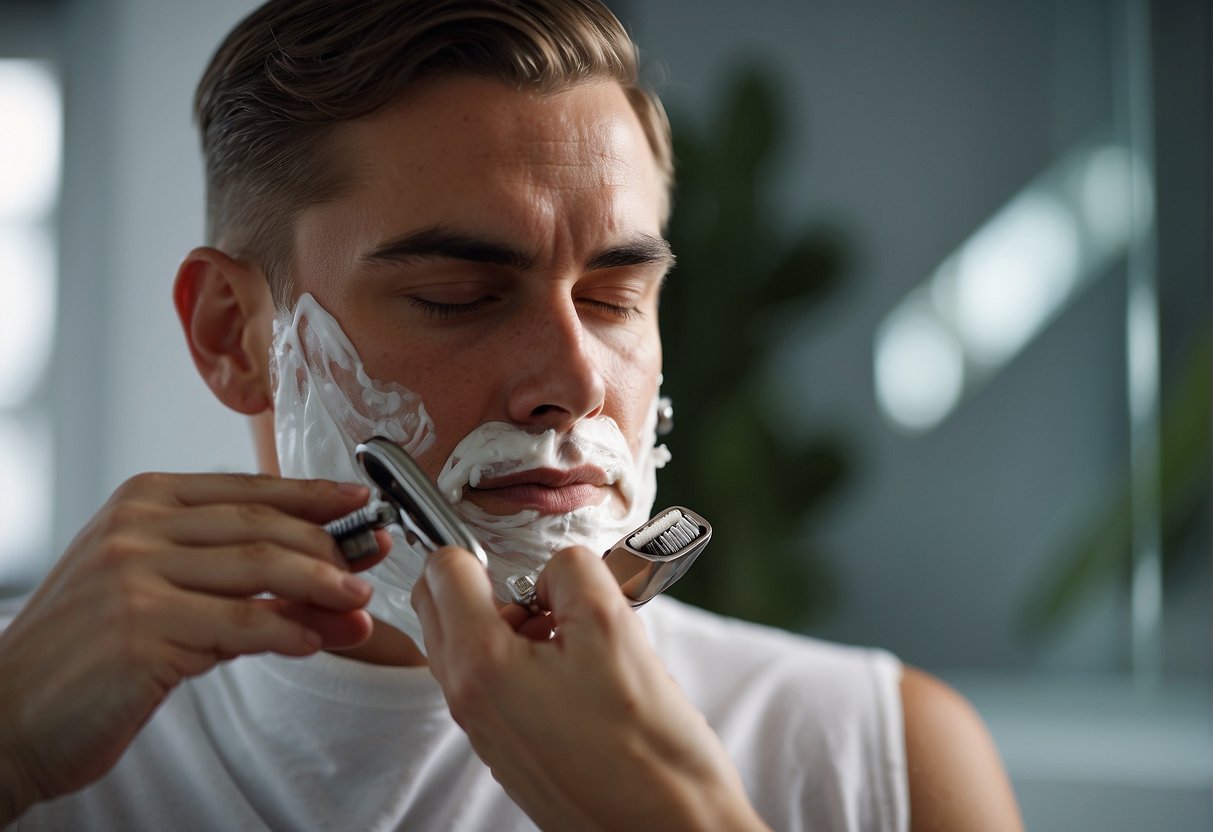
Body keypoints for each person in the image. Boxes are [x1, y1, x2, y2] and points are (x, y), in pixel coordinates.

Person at [0, 1, 1024, 829]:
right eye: (457, 295)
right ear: (233, 334)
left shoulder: (876, 760)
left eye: (616, 298)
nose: (576, 381)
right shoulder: (42, 728)